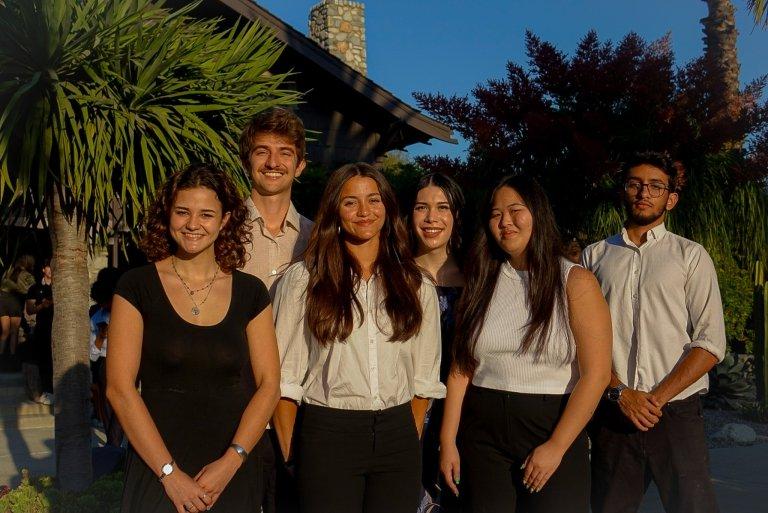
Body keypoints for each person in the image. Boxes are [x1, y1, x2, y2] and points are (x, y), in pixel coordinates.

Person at [106, 163, 281, 513]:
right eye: (183, 211)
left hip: (231, 471)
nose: (192, 224)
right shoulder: (136, 286)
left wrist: (232, 462)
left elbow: (269, 385)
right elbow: (119, 389)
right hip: (156, 468)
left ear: (225, 219)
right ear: (167, 213)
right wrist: (169, 474)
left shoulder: (251, 292)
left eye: (206, 214)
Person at [272, 163, 445, 513]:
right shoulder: (304, 280)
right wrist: (292, 454)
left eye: (374, 200)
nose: (364, 212)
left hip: (397, 438)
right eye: (351, 202)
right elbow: (283, 379)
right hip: (328, 434)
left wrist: (406, 438)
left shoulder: (416, 284)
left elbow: (424, 380)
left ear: (388, 208)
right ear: (335, 209)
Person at [439, 175, 612, 513]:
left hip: (552, 426)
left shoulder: (575, 281)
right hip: (483, 431)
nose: (505, 222)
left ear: (538, 213)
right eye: (495, 213)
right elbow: (461, 368)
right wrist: (447, 442)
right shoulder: (482, 280)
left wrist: (557, 446)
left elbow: (597, 375)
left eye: (515, 210)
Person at [581, 151, 726, 513]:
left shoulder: (691, 256)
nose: (644, 192)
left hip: (676, 414)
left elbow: (710, 343)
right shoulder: (594, 257)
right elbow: (578, 340)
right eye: (635, 184)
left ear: (670, 199)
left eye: (656, 186)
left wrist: (656, 398)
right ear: (623, 192)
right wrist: (621, 393)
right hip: (614, 411)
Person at [238, 107, 313, 513]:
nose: (273, 162)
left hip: (299, 411)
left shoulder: (319, 240)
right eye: (262, 151)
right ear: (247, 159)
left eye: (285, 153)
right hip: (235, 404)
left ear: (299, 165)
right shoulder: (221, 231)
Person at [408, 172, 465, 513]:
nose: (431, 218)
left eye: (442, 207)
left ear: (456, 216)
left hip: (465, 415)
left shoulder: (479, 276)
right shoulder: (393, 275)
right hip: (409, 411)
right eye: (421, 207)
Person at [89, 267, 123, 446]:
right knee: (109, 406)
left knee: (122, 408)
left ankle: (114, 444)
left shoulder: (128, 313)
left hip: (127, 363)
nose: (103, 306)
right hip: (105, 363)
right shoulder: (97, 318)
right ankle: (113, 446)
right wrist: (102, 337)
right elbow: (93, 355)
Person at [24, 260, 53, 404]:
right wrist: (43, 305)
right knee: (43, 360)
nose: (51, 269)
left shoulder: (60, 286)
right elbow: (30, 310)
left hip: (58, 329)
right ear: (43, 269)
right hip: (42, 328)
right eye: (48, 266)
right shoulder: (35, 288)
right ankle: (46, 391)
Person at [1, 254, 36, 360]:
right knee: (14, 332)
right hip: (15, 302)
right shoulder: (27, 275)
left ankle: (1, 356)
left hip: (2, 301)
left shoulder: (9, 271)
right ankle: (12, 356)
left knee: (4, 331)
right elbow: (32, 288)